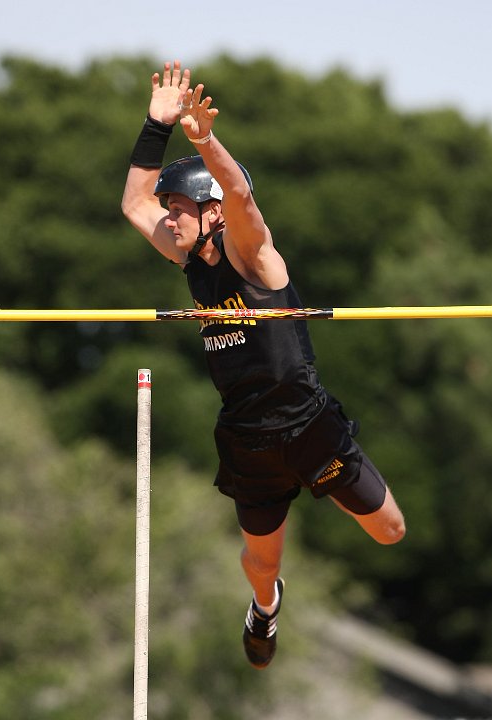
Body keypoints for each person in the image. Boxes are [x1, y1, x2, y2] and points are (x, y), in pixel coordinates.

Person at [122, 60, 406, 670]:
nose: (168, 217)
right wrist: (155, 124)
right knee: (263, 564)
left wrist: (200, 136)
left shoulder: (255, 258)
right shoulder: (189, 257)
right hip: (247, 436)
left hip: (308, 425)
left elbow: (244, 194)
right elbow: (132, 204)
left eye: (180, 206)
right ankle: (264, 607)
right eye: (169, 208)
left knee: (391, 532)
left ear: (212, 211)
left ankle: (323, 497)